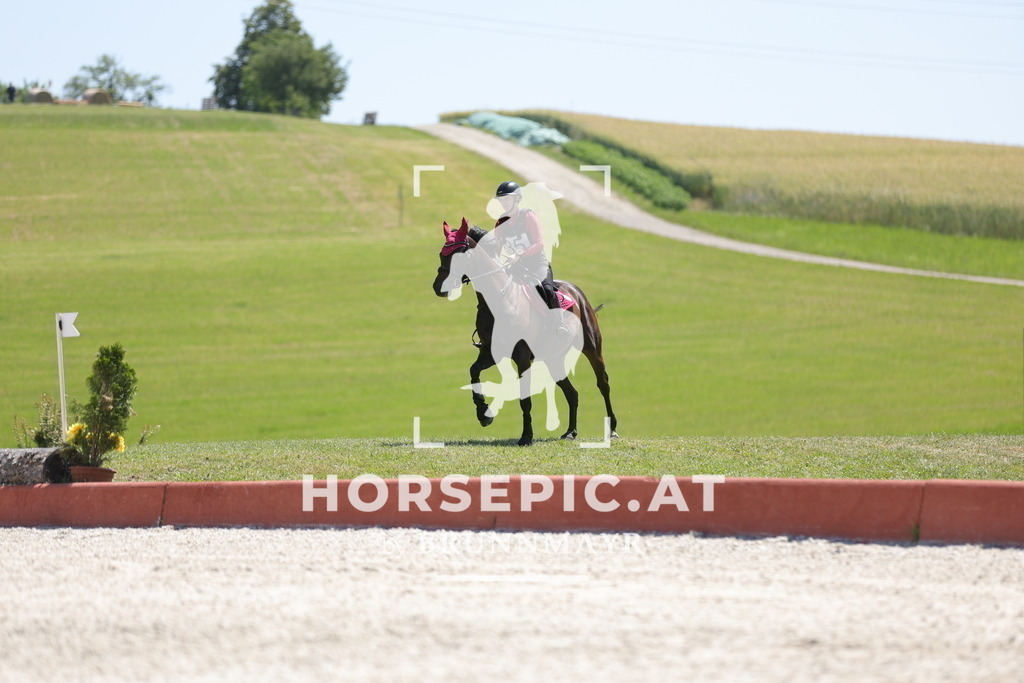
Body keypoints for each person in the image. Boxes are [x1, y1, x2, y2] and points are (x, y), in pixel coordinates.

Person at [490, 180, 561, 312]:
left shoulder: (527, 216)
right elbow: (497, 249)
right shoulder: (500, 223)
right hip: (516, 268)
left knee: (546, 290)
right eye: (501, 200)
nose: (503, 203)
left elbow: (539, 244)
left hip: (537, 265)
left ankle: (559, 325)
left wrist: (518, 254)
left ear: (516, 199)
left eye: (507, 199)